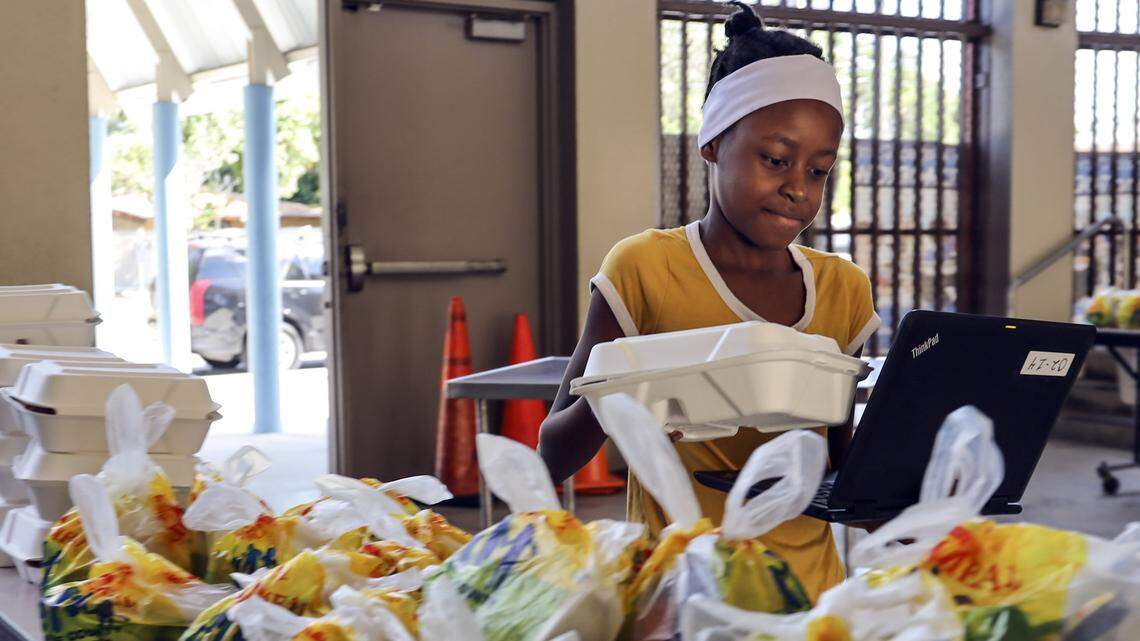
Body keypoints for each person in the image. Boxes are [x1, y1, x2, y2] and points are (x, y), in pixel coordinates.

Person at [537, 1, 880, 603]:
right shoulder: (647, 267)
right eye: (775, 160)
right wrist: (626, 384)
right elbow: (553, 454)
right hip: (678, 594)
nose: (799, 187)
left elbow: (838, 462)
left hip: (810, 599)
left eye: (821, 170)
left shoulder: (843, 289)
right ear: (714, 145)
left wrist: (912, 476)